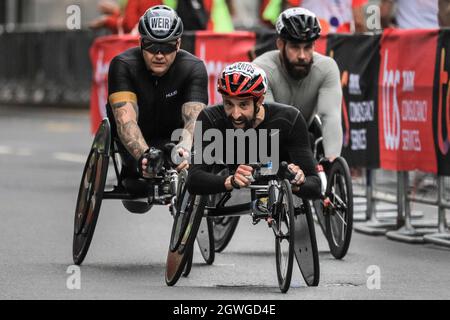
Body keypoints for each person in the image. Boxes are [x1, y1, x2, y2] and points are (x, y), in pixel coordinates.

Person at [186, 62, 321, 199]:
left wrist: (297, 182)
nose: (235, 114)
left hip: (278, 170)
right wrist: (230, 181)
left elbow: (315, 186)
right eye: (228, 104)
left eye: (243, 104)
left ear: (260, 100)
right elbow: (193, 180)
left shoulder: (290, 119)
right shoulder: (210, 118)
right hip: (230, 170)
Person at [106, 5, 208, 185]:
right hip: (135, 138)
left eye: (167, 47)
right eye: (152, 46)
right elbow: (126, 121)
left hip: (172, 138)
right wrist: (145, 157)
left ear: (178, 44)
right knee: (136, 189)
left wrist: (184, 149)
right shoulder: (123, 65)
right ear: (141, 43)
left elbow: (194, 120)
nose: (159, 55)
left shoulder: (193, 68)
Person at [253, 7, 343, 161]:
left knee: (310, 139)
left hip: (303, 138)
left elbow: (330, 116)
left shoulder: (327, 68)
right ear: (280, 44)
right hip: (265, 139)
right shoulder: (261, 69)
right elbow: (269, 123)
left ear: (314, 46)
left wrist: (332, 160)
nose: (302, 56)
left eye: (307, 47)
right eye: (295, 47)